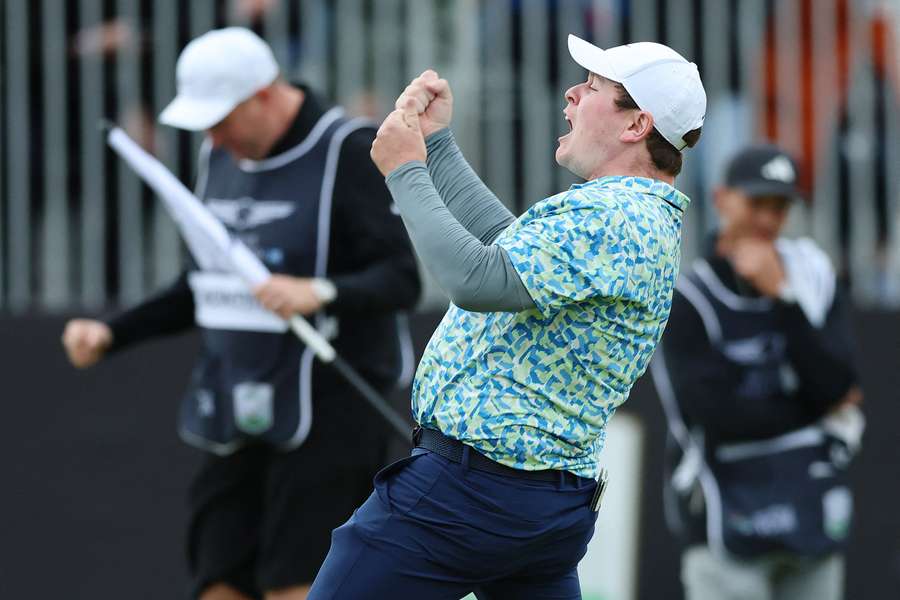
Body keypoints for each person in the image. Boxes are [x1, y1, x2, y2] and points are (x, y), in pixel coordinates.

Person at [307, 35, 706, 599]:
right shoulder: (630, 211)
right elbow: (506, 247)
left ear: (636, 125)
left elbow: (476, 279)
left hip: (467, 496)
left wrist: (405, 170)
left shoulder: (616, 214)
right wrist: (438, 145)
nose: (571, 93)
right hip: (538, 502)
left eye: (592, 88)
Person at [61, 27, 420, 600]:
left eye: (221, 119)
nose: (213, 136)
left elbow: (400, 278)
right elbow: (206, 282)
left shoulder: (346, 149)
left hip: (331, 405)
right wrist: (112, 332)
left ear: (264, 94)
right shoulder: (217, 155)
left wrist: (318, 292)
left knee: (300, 583)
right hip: (239, 399)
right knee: (219, 579)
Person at [649, 144, 864, 600]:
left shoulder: (812, 272)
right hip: (726, 521)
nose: (768, 219)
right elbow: (716, 417)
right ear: (722, 198)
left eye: (780, 206)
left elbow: (837, 381)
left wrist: (782, 297)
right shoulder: (689, 297)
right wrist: (816, 409)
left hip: (811, 508)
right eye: (757, 203)